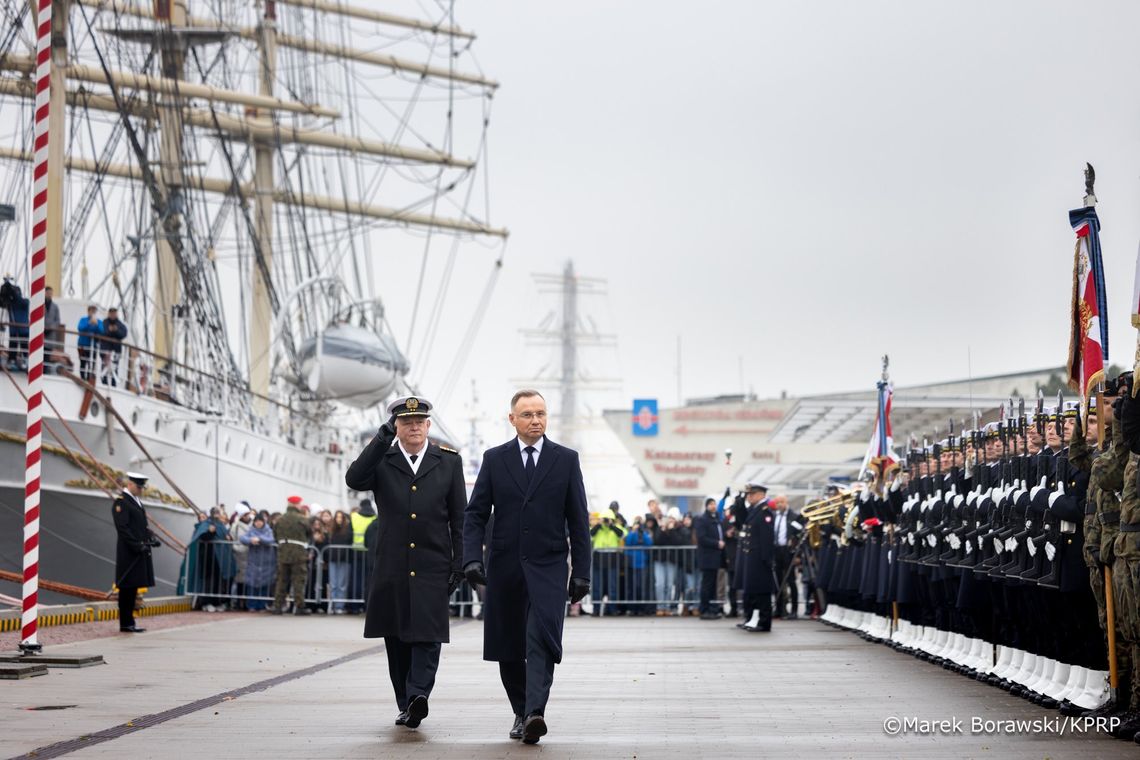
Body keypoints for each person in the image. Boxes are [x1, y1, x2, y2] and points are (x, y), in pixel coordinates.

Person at [463, 389, 591, 744]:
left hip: (548, 567)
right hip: (504, 568)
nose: (536, 420)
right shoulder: (494, 459)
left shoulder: (565, 460)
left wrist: (581, 571)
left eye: (541, 413)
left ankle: (536, 711)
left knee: (540, 639)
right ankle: (520, 710)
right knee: (509, 646)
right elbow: (474, 515)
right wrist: (471, 559)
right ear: (513, 420)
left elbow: (579, 520)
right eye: (528, 414)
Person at [345, 396, 466, 729]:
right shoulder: (383, 459)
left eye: (419, 422)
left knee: (429, 635)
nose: (413, 427)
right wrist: (381, 439)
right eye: (405, 422)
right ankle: (406, 701)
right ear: (395, 427)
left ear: (429, 426)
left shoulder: (448, 462)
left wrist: (461, 563)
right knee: (396, 637)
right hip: (393, 564)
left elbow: (459, 518)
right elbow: (354, 479)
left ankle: (419, 695)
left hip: (433, 562)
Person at [112, 472, 158, 633]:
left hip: (138, 551)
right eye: (139, 487)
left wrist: (151, 538)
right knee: (126, 588)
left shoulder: (136, 502)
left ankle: (130, 622)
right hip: (129, 552)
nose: (141, 490)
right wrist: (137, 545)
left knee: (133, 588)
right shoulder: (122, 502)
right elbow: (123, 528)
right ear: (130, 484)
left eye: (142, 487)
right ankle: (125, 623)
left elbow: (141, 526)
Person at [735, 482, 776, 632]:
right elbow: (742, 521)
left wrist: (767, 559)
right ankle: (754, 618)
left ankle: (764, 622)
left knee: (762, 591)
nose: (749, 497)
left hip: (760, 557)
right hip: (752, 556)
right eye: (748, 494)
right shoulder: (755, 509)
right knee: (753, 590)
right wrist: (738, 504)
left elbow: (766, 537)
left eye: (751, 494)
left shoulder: (764, 511)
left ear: (761, 495)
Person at [271, 495, 312, 615]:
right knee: (298, 581)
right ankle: (299, 607)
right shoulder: (302, 519)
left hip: (283, 553)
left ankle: (277, 606)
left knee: (281, 581)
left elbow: (275, 535)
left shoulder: (280, 519)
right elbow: (309, 532)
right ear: (296, 505)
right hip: (299, 554)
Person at [695, 497, 725, 619]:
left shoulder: (716, 519)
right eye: (711, 504)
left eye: (714, 504)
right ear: (707, 506)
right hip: (707, 557)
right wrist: (716, 543)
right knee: (707, 584)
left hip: (715, 557)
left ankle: (712, 609)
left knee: (713, 585)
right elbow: (702, 538)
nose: (713, 506)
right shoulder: (702, 520)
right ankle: (704, 609)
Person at [327, 510, 354, 614]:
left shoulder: (347, 530)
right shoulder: (331, 530)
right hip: (333, 559)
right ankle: (332, 605)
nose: (338, 519)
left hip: (344, 559)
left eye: (340, 517)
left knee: (342, 584)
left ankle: (339, 606)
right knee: (333, 584)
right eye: (337, 517)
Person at [99, 306, 128, 386]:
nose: (112, 315)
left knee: (115, 368)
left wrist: (116, 330)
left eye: (114, 313)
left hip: (116, 350)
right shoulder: (104, 322)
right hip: (105, 349)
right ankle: (104, 383)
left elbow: (123, 334)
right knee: (104, 366)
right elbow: (102, 332)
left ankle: (113, 384)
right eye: (111, 313)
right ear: (109, 314)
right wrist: (110, 331)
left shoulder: (120, 324)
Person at [76, 304, 101, 382]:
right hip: (83, 345)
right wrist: (89, 323)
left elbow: (101, 331)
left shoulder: (99, 322)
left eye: (94, 311)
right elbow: (80, 328)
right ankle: (83, 377)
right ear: (88, 311)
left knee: (92, 363)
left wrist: (96, 324)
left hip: (93, 346)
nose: (93, 312)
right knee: (83, 362)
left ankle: (90, 378)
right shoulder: (83, 320)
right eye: (91, 310)